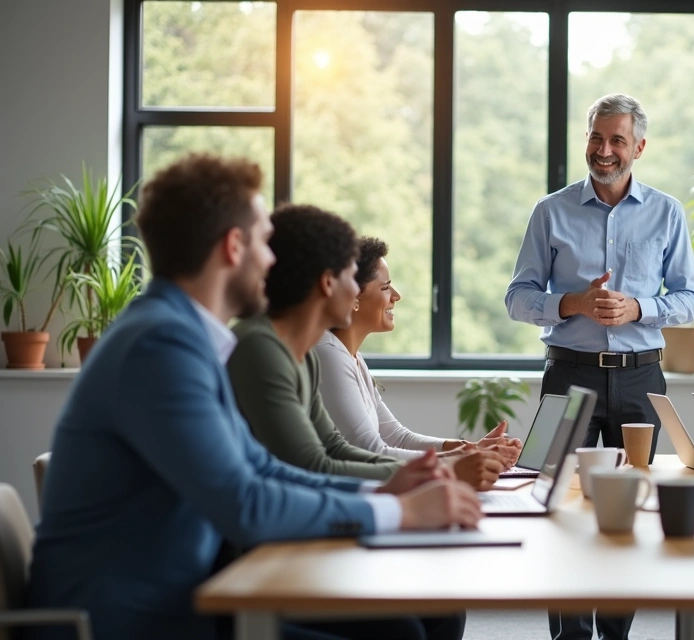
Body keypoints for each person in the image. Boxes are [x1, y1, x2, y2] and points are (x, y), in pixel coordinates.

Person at [24, 154, 481, 640]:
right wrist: (399, 511)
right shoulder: (160, 346)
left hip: (181, 594)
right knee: (398, 634)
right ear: (233, 247)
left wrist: (382, 491)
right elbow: (245, 502)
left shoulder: (184, 337)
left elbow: (261, 471)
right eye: (266, 242)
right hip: (133, 617)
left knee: (404, 626)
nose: (273, 261)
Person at [505, 93, 694, 640]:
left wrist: (641, 307)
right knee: (555, 503)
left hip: (642, 377)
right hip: (567, 374)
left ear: (638, 146)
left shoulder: (667, 212)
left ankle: (615, 633)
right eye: (597, 137)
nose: (605, 150)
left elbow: (690, 300)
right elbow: (517, 297)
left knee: (629, 507)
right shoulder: (551, 211)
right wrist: (572, 303)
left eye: (617, 140)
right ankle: (570, 635)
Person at [228, 205, 502, 491]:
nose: (355, 291)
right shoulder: (262, 347)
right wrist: (443, 471)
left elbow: (334, 448)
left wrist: (444, 465)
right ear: (328, 283)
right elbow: (314, 464)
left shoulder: (303, 354)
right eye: (351, 277)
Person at [315, 236, 522, 465]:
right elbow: (370, 450)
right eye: (385, 287)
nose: (396, 295)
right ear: (353, 296)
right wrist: (461, 459)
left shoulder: (350, 356)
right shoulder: (328, 354)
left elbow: (397, 438)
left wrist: (469, 448)